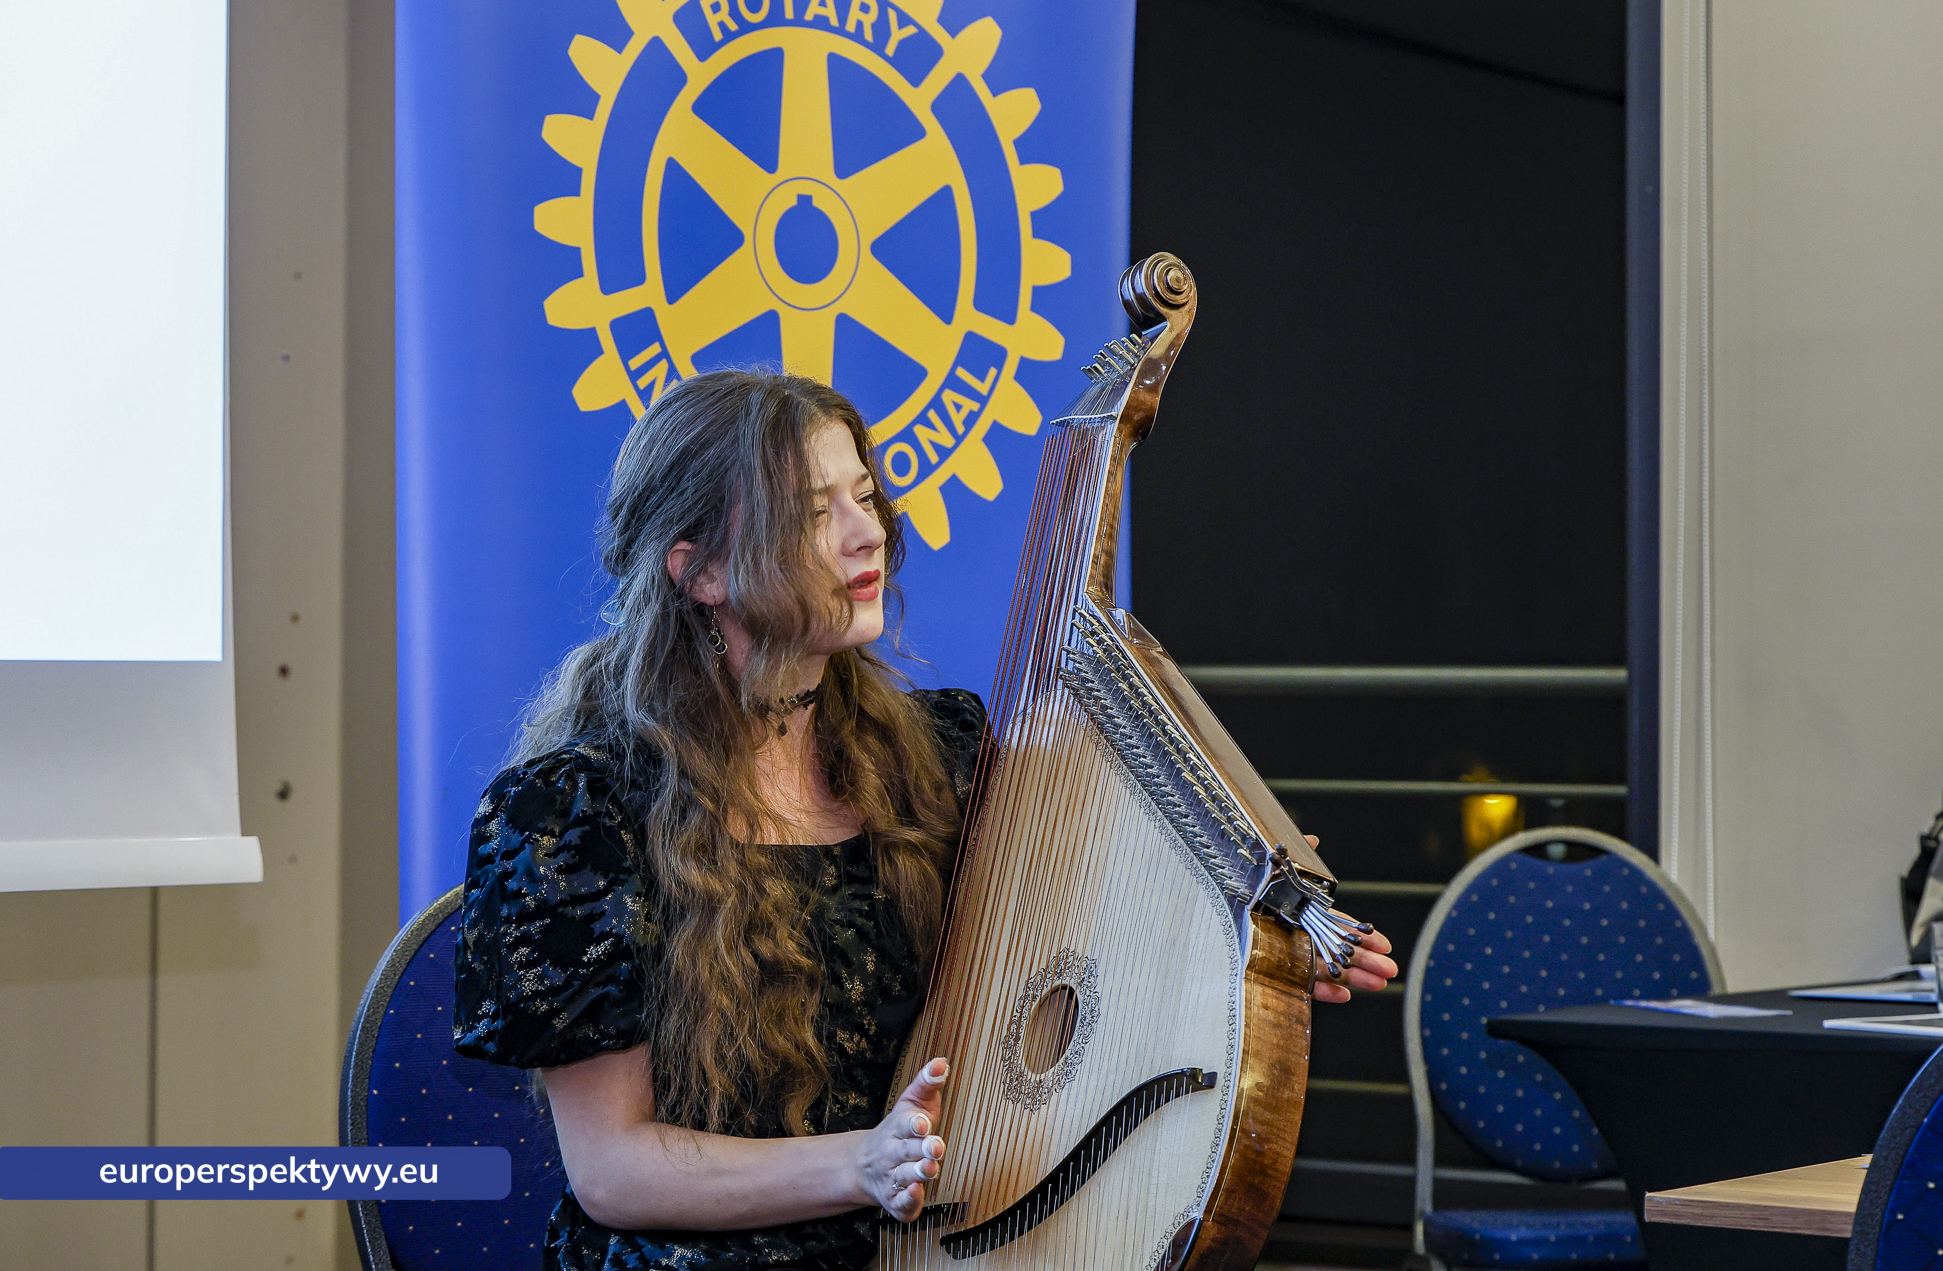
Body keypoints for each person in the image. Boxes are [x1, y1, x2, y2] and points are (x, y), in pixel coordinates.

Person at [452, 370, 1398, 1271]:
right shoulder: (569, 816)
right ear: (701, 573)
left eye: (865, 496)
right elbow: (615, 1170)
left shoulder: (938, 753)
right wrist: (861, 1164)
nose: (868, 534)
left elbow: (1073, 952)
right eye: (816, 513)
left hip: (942, 1241)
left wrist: (1248, 937)